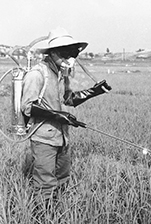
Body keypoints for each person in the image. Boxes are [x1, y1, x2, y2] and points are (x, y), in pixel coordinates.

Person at [21, 27, 112, 203]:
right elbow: (27, 107)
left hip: (62, 137)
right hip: (43, 138)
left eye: (71, 54)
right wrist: (56, 116)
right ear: (53, 52)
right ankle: (42, 218)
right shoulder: (37, 74)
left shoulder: (62, 74)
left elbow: (69, 99)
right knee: (45, 183)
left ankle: (60, 211)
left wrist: (95, 91)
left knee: (62, 178)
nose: (69, 59)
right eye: (65, 54)